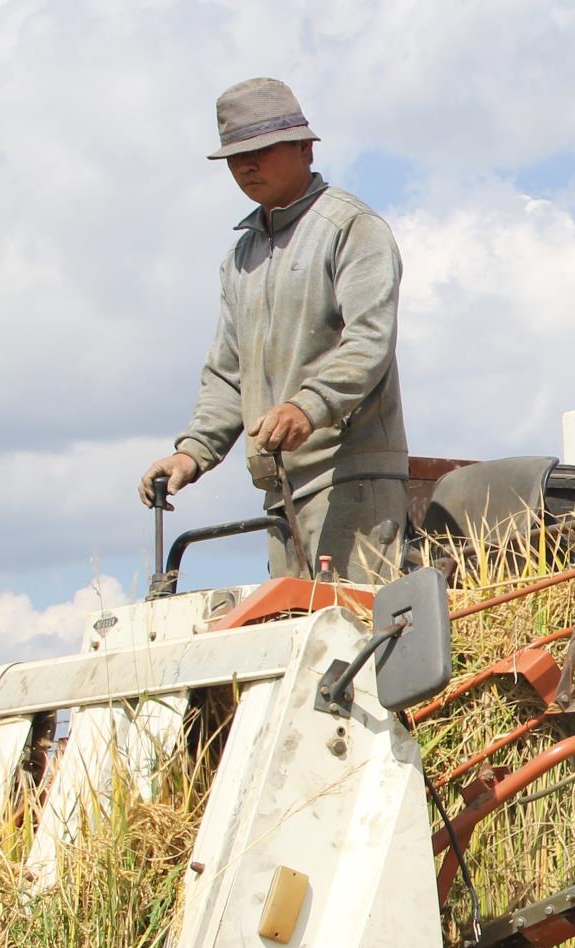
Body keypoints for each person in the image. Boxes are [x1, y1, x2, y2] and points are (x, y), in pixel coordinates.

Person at [139, 77, 410, 582]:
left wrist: (306, 406)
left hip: (350, 478)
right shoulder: (240, 258)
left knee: (353, 639)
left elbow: (370, 341)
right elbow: (227, 374)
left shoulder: (350, 228)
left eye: (261, 149)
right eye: (235, 156)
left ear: (305, 147)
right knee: (298, 642)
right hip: (279, 490)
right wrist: (191, 453)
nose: (246, 165)